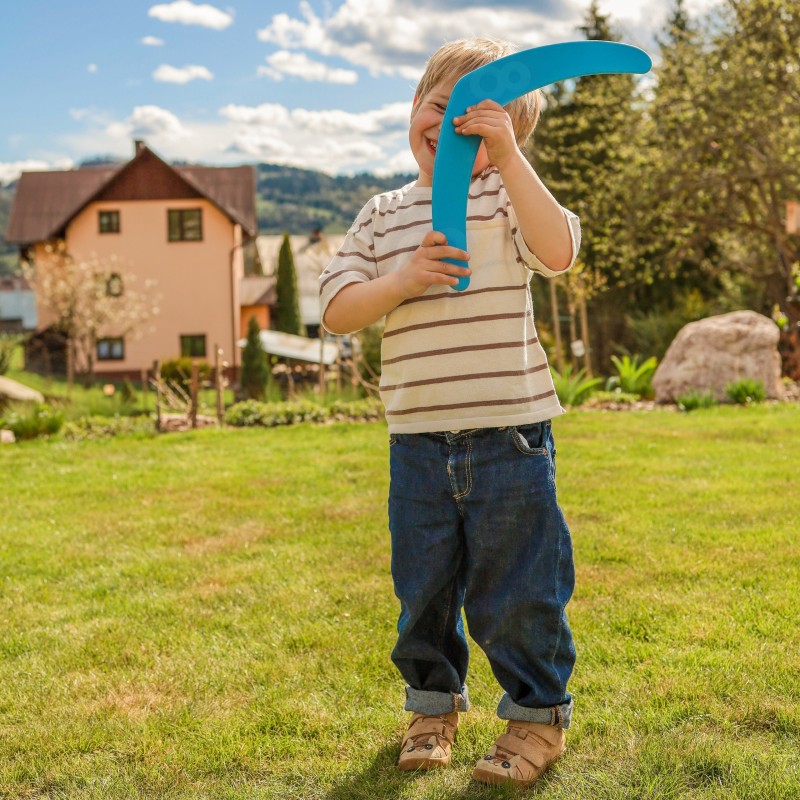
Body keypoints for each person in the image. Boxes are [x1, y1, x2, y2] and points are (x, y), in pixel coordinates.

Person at [319, 36, 581, 789]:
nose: (453, 123)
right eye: (440, 105)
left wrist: (510, 159)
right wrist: (400, 281)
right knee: (424, 587)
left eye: (480, 116)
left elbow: (559, 251)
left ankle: (534, 720)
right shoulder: (383, 214)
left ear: (508, 136)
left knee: (521, 588)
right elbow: (337, 308)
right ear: (413, 108)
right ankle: (432, 706)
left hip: (512, 438)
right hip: (418, 444)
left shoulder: (506, 199)